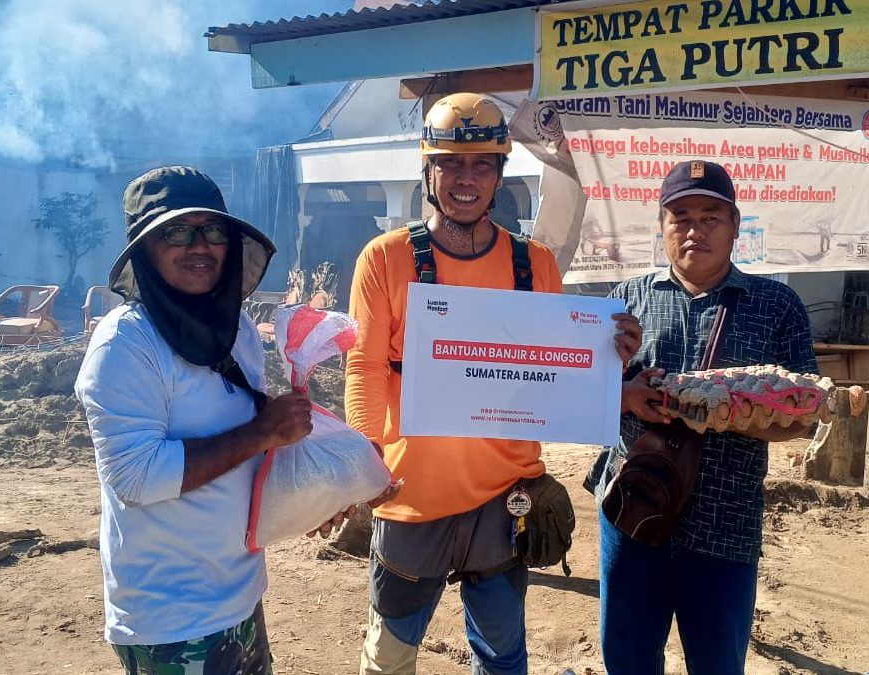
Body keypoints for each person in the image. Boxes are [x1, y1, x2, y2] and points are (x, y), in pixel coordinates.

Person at [345, 93, 640, 675]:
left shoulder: (535, 265)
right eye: (451, 162)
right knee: (390, 657)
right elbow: (365, 367)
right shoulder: (386, 259)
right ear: (428, 170)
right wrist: (364, 461)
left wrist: (609, 362)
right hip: (411, 496)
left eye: (482, 163)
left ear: (500, 173)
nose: (466, 178)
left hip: (506, 497)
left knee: (504, 659)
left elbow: (553, 372)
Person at [75, 166, 346, 674]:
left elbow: (251, 444)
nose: (199, 246)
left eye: (212, 231)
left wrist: (312, 497)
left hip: (241, 593)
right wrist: (262, 432)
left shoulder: (237, 327)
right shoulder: (125, 346)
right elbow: (138, 477)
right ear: (145, 248)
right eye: (176, 232)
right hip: (172, 618)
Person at [593, 160, 819, 674]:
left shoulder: (777, 306)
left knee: (717, 662)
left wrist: (727, 410)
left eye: (710, 216)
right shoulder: (622, 305)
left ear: (735, 225)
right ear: (661, 226)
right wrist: (621, 392)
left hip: (726, 520)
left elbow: (804, 414)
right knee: (626, 659)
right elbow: (579, 398)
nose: (695, 229)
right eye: (681, 217)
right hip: (633, 511)